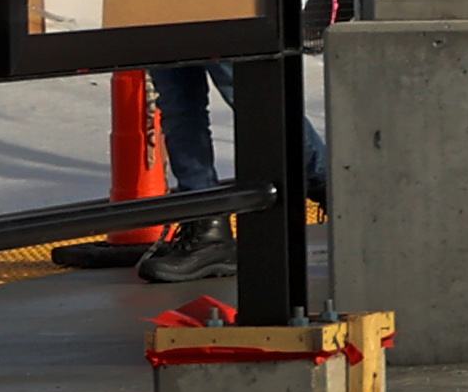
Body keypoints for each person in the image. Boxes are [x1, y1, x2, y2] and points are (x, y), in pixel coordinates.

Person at [132, 65, 328, 288]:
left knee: (247, 91)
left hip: (213, 29)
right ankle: (206, 225)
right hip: (165, 30)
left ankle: (328, 184)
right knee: (178, 103)